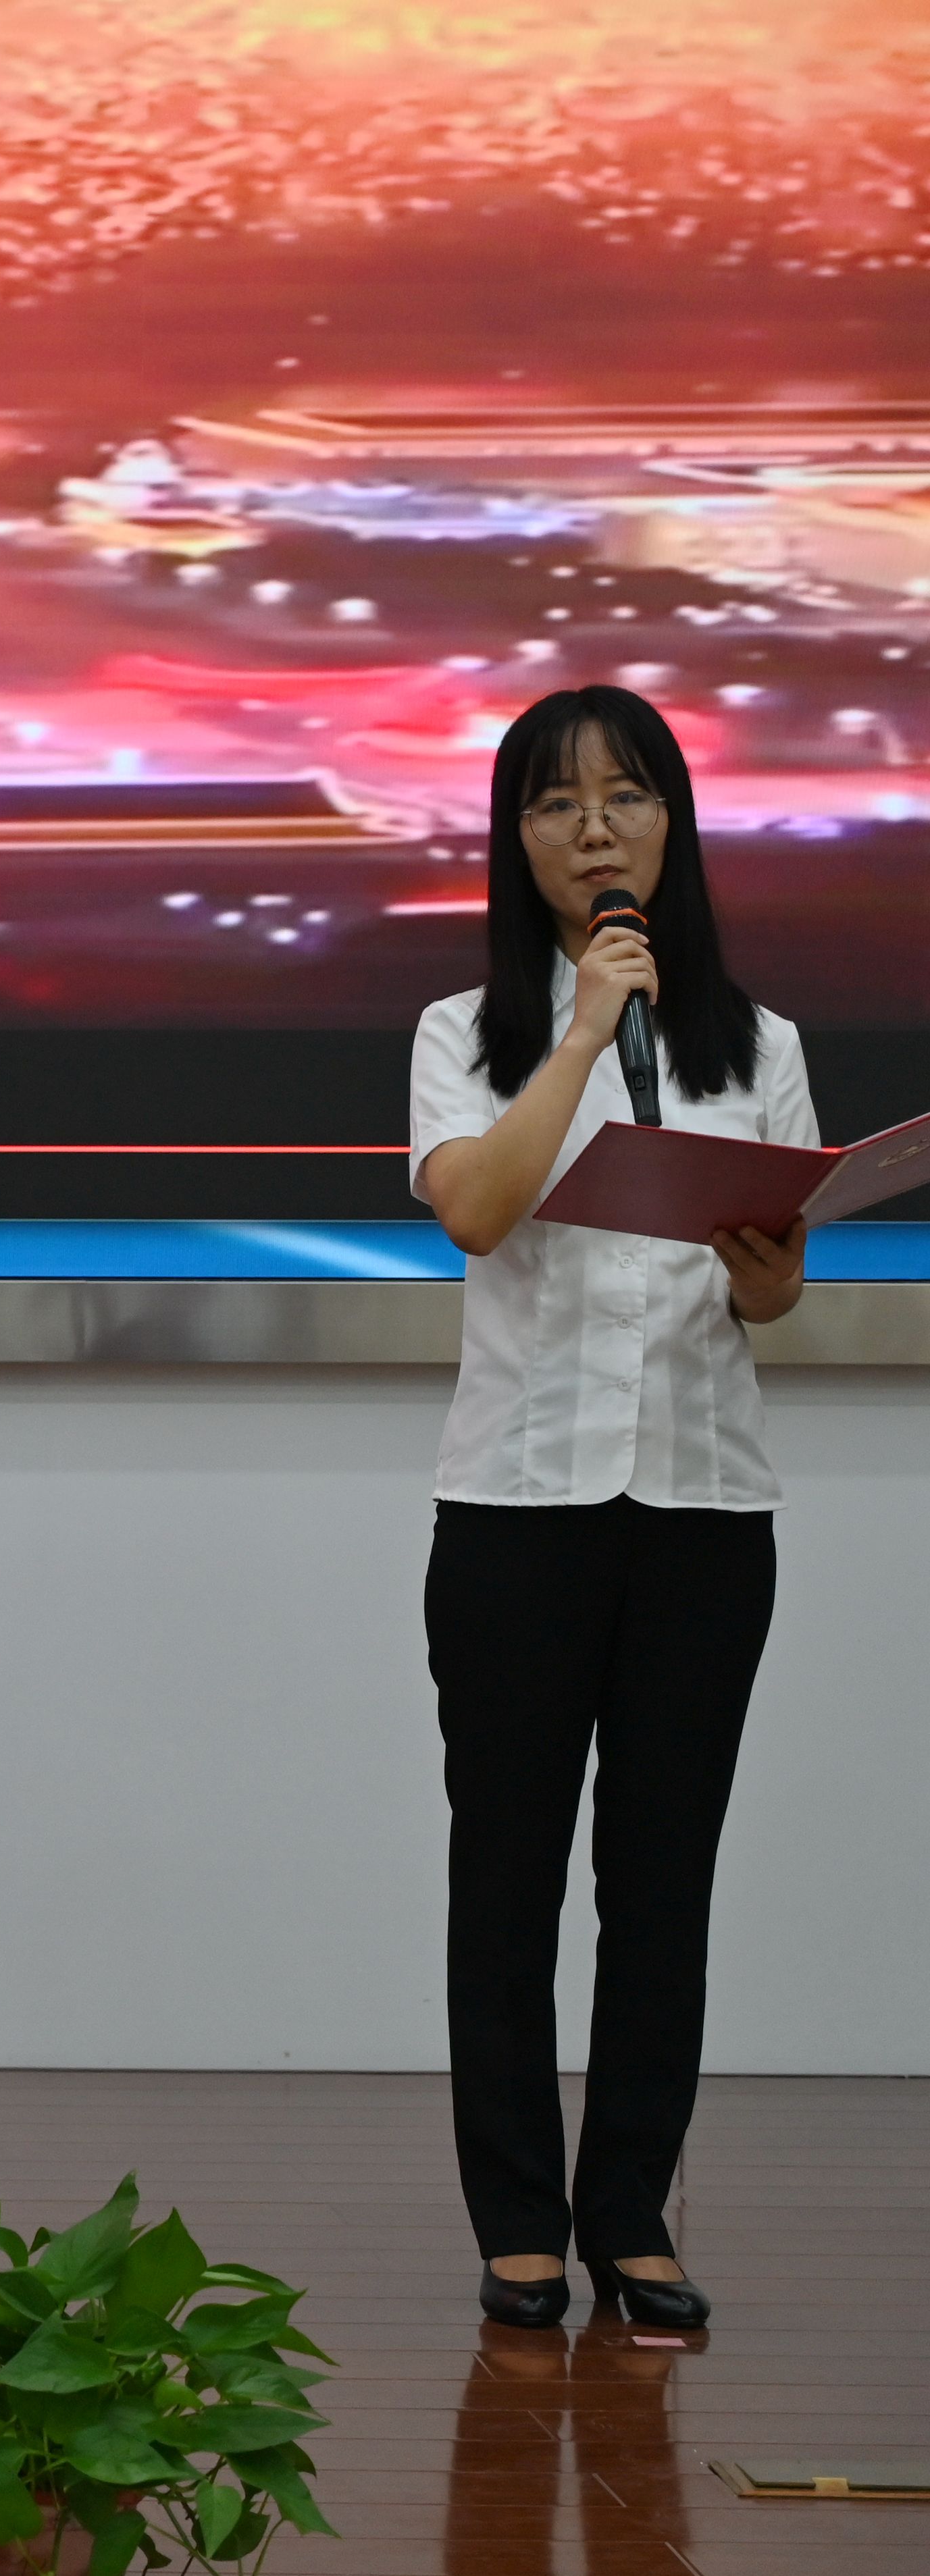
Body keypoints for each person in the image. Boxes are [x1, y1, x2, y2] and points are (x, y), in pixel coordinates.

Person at [411, 683, 810, 2334]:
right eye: (558, 804)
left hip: (705, 1508)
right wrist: (580, 1033)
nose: (595, 831)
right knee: (507, 1877)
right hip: (520, 1507)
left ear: (672, 825)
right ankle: (519, 2220)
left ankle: (631, 2210)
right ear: (518, 842)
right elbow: (475, 1213)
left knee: (664, 1882)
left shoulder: (760, 1045)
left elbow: (774, 1294)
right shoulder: (465, 1031)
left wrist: (770, 1263)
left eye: (626, 797)